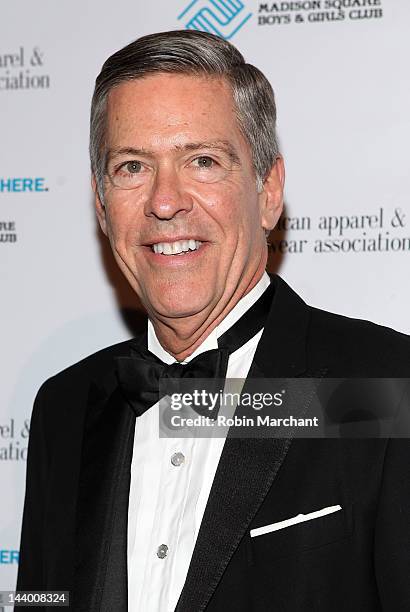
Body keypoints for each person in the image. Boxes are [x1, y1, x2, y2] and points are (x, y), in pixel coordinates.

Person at [17, 30, 410, 611]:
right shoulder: (65, 406)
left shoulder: (385, 387)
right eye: (131, 167)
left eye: (202, 161)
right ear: (102, 204)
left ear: (269, 191)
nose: (165, 201)